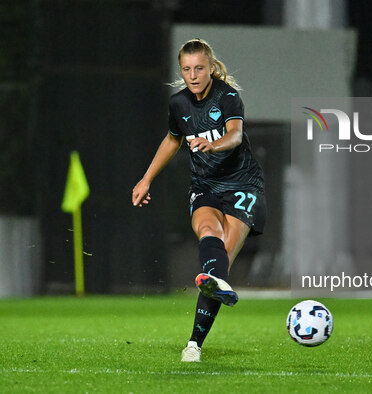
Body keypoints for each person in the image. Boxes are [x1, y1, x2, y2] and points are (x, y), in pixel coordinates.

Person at [132, 38, 266, 363]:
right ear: (182, 70)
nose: (193, 75)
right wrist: (146, 178)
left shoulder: (228, 97)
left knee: (220, 269)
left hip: (242, 187)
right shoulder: (178, 104)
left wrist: (213, 145)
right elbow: (171, 139)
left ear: (210, 69)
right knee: (208, 234)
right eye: (187, 69)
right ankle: (193, 347)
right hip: (205, 186)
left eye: (199, 68)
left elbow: (234, 135)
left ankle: (195, 341)